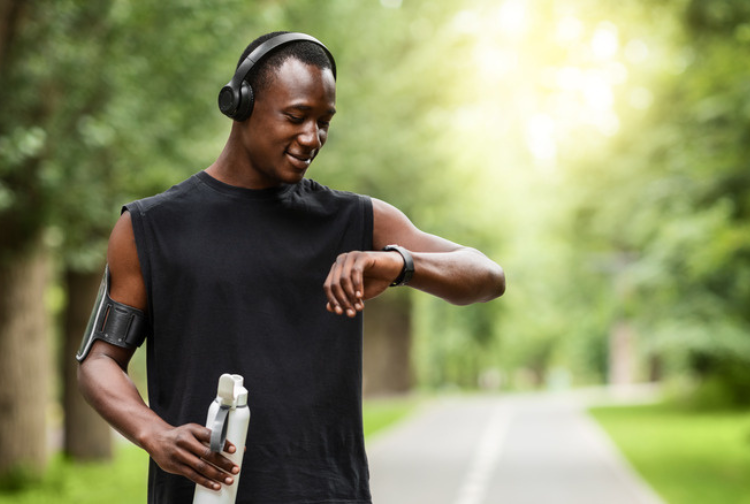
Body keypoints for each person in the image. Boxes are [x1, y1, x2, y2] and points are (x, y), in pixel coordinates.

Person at [77, 31, 505, 504]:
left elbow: (486, 275)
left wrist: (401, 263)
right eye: (297, 116)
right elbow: (99, 361)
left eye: (324, 121)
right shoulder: (150, 227)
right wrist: (153, 434)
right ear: (240, 104)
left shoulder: (357, 220)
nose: (312, 137)